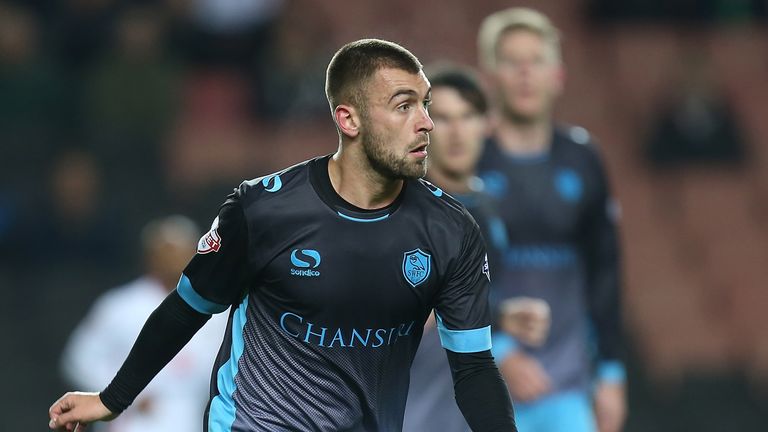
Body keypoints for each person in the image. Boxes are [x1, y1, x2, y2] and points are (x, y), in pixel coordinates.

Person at [48, 38, 516, 432]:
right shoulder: (263, 209)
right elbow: (188, 308)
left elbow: (473, 368)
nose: (426, 122)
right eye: (403, 105)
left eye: (425, 104)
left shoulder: (450, 230)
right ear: (348, 120)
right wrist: (114, 398)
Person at [476, 8, 626, 432]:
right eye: (511, 61)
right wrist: (499, 350)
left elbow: (605, 269)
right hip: (480, 386)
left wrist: (612, 375)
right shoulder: (467, 161)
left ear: (557, 75)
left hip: (568, 388)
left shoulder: (583, 159)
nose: (525, 73)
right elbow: (450, 279)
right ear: (490, 77)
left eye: (536, 60)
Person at [403, 67, 549, 432]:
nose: (455, 132)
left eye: (467, 117)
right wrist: (499, 320)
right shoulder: (402, 208)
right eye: (443, 118)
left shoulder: (488, 208)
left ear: (488, 124)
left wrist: (502, 339)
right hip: (405, 400)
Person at [60, 216, 228, 432]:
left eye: (181, 249)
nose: (173, 258)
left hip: (193, 419)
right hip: (133, 420)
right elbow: (79, 359)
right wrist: (119, 394)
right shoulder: (119, 305)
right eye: (167, 250)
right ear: (150, 255)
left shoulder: (217, 311)